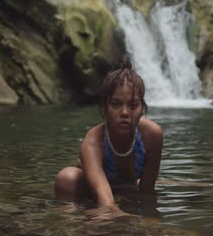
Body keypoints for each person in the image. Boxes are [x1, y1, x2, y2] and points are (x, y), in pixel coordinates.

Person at [55, 61, 163, 218]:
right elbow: (106, 203)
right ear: (105, 108)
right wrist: (133, 223)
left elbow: (147, 192)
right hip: (93, 190)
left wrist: (151, 224)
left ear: (142, 109)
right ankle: (71, 218)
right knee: (67, 178)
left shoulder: (153, 135)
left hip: (128, 190)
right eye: (116, 104)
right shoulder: (93, 142)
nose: (125, 112)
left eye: (133, 105)